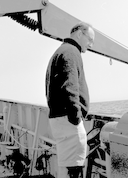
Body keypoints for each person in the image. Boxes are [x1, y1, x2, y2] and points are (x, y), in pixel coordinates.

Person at [45, 22, 95, 178]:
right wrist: (76, 118)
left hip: (59, 117)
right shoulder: (72, 52)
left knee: (66, 167)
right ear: (80, 34)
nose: (91, 44)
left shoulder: (61, 51)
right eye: (90, 39)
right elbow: (70, 86)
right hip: (69, 120)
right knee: (73, 170)